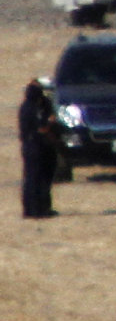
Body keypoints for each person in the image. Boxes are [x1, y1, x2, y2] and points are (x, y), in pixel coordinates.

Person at [16, 77, 55, 219]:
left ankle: (41, 206)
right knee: (35, 178)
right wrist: (50, 124)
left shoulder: (40, 105)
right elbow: (41, 128)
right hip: (34, 146)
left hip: (37, 146)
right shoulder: (31, 108)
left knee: (41, 177)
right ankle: (35, 209)